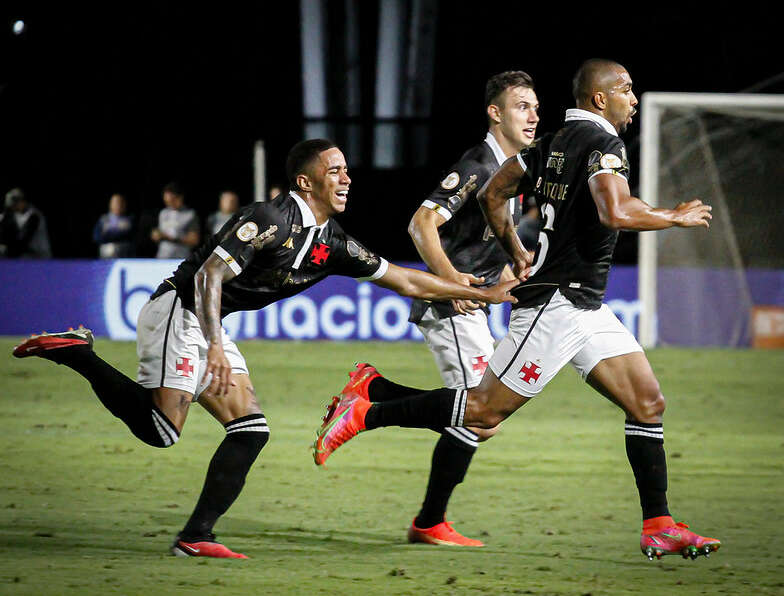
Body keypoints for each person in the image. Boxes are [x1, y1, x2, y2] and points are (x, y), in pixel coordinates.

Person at [12, 139, 517, 559]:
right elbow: (211, 273)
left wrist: (478, 293)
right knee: (162, 430)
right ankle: (78, 353)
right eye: (334, 171)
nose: (345, 179)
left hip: (208, 324)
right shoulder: (269, 218)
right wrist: (213, 344)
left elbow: (406, 280)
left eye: (346, 170)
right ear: (305, 182)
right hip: (180, 310)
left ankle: (195, 537)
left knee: (251, 430)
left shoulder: (332, 240)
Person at [314, 60, 722, 561]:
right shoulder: (603, 145)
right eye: (626, 90)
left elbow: (496, 192)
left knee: (647, 403)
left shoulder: (548, 143)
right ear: (599, 98)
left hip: (585, 305)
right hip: (555, 305)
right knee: (484, 413)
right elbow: (614, 210)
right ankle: (368, 411)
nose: (633, 100)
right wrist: (672, 216)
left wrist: (517, 249)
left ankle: (659, 524)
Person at [400, 70, 539, 547]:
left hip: (472, 305)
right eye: (522, 105)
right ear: (495, 113)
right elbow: (421, 224)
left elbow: (492, 255)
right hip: (450, 305)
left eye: (536, 106)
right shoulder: (479, 164)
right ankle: (369, 403)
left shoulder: (514, 174)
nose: (534, 114)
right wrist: (445, 281)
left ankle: (429, 521)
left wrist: (518, 274)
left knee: (481, 415)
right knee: (481, 412)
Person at [151, 182, 200, 259]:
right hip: (162, 257)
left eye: (171, 200)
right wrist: (156, 235)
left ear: (180, 198)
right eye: (166, 201)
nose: (169, 204)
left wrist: (171, 238)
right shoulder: (163, 213)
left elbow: (194, 240)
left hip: (180, 258)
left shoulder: (190, 215)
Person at [0, 187, 52, 258]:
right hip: (23, 253)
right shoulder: (12, 215)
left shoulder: (34, 216)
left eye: (16, 203)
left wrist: (8, 249)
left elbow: (24, 240)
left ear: (23, 201)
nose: (14, 207)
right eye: (12, 204)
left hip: (39, 255)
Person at [93, 193, 135, 258]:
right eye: (115, 202)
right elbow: (97, 237)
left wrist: (107, 234)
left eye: (120, 202)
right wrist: (116, 234)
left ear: (124, 204)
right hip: (104, 256)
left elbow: (128, 236)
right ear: (110, 204)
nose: (118, 205)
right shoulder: (103, 219)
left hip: (124, 255)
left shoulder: (130, 219)